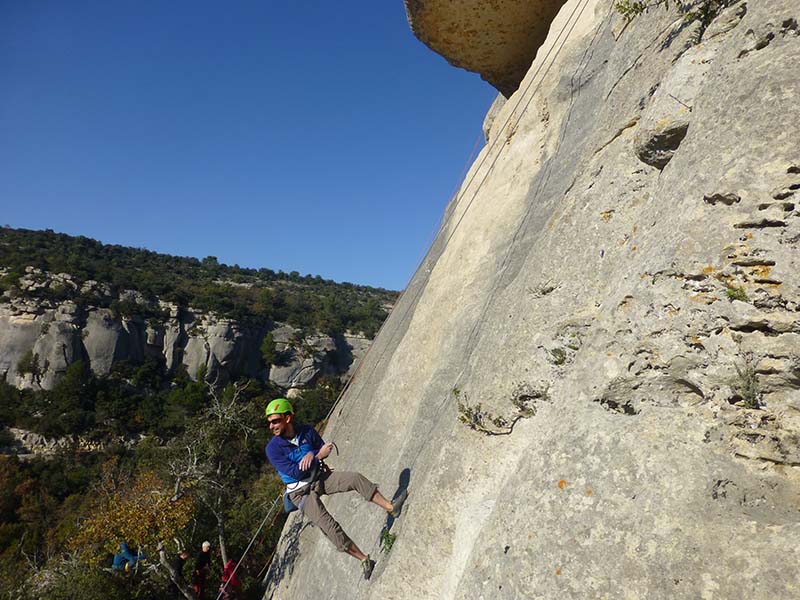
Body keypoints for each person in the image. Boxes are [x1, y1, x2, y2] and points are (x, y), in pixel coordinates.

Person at [264, 398, 407, 580]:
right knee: (330, 527)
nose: (271, 426)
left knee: (354, 478)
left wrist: (313, 454)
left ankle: (391, 508)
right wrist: (316, 457)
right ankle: (364, 560)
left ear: (288, 417)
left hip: (318, 477)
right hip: (300, 493)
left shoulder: (306, 431)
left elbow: (324, 448)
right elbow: (294, 472)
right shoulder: (273, 449)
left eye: (275, 420)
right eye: (269, 422)